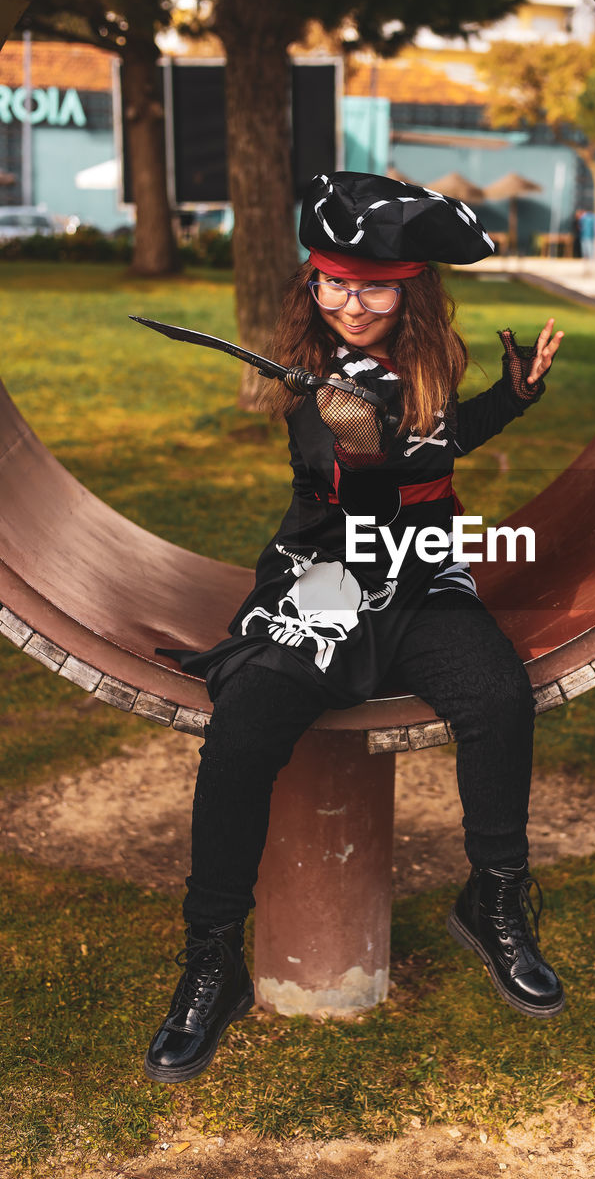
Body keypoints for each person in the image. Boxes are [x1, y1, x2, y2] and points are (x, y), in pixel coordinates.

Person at [144, 171, 565, 1084]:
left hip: (419, 577)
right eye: (331, 281)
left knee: (496, 695)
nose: (349, 301)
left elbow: (441, 443)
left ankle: (492, 899)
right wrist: (356, 433)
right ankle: (210, 958)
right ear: (313, 283)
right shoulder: (318, 388)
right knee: (246, 723)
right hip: (323, 581)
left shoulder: (422, 364)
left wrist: (512, 399)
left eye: (371, 285)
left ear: (409, 288)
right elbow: (352, 489)